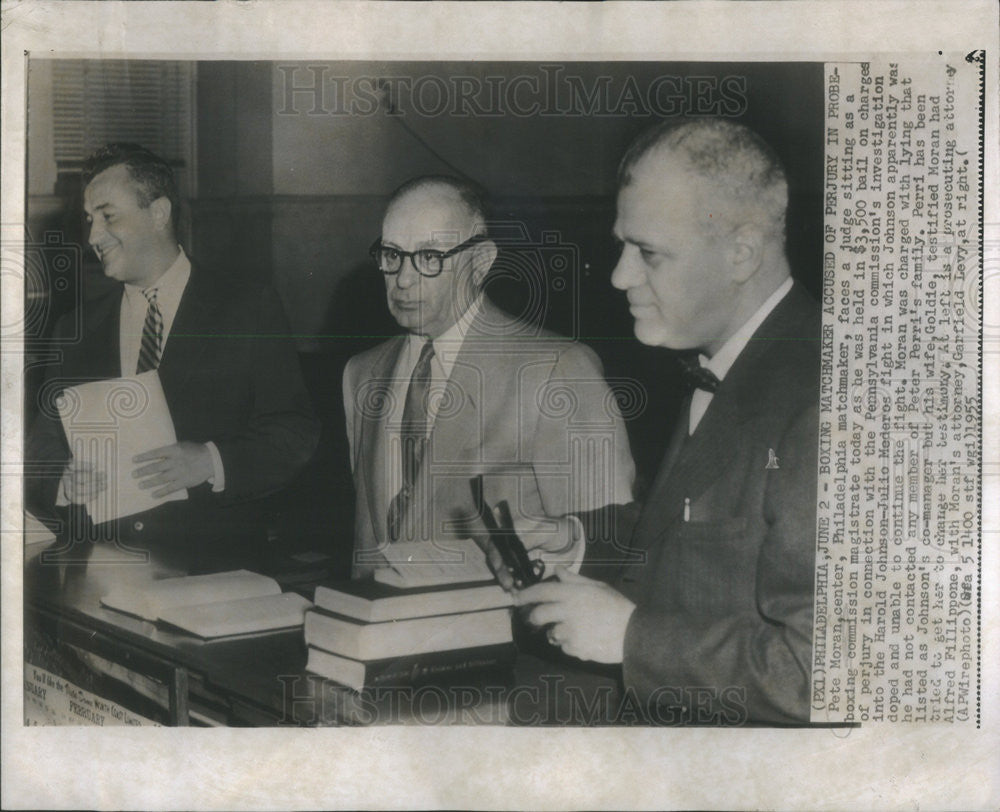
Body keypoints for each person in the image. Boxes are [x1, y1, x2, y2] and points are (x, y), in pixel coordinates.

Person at [515, 119, 821, 725]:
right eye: (623, 246)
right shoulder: (724, 355)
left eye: (649, 253)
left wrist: (630, 638)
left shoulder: (826, 401)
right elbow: (698, 535)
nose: (620, 276)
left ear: (741, 253)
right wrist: (578, 543)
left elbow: (827, 676)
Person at [25, 143, 320, 574]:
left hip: (215, 575)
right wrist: (62, 480)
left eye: (108, 216)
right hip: (104, 573)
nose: (92, 237)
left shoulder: (246, 308)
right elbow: (40, 450)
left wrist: (211, 460)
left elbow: (294, 432)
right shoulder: (77, 328)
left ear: (159, 212)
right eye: (89, 220)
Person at [343, 175, 635, 577]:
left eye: (430, 257)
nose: (403, 279)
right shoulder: (361, 374)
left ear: (481, 262)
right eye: (392, 255)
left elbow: (607, 550)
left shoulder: (558, 370)